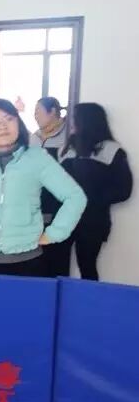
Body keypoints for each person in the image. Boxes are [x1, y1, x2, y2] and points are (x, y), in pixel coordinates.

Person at [0, 98, 86, 278]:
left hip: (27, 262)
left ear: (18, 123)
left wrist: (54, 234)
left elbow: (75, 197)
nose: (3, 126)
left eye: (9, 119)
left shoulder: (37, 158)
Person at [59, 103, 133, 280]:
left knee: (87, 266)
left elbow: (124, 190)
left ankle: (87, 298)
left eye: (75, 118)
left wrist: (91, 199)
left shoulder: (112, 150)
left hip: (93, 220)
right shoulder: (69, 147)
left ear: (86, 121)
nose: (71, 123)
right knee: (57, 264)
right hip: (64, 217)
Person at [31, 96, 72, 276]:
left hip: (57, 205)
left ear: (53, 112)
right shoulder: (33, 138)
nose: (35, 116)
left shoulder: (68, 137)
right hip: (34, 206)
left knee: (57, 258)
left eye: (38, 112)